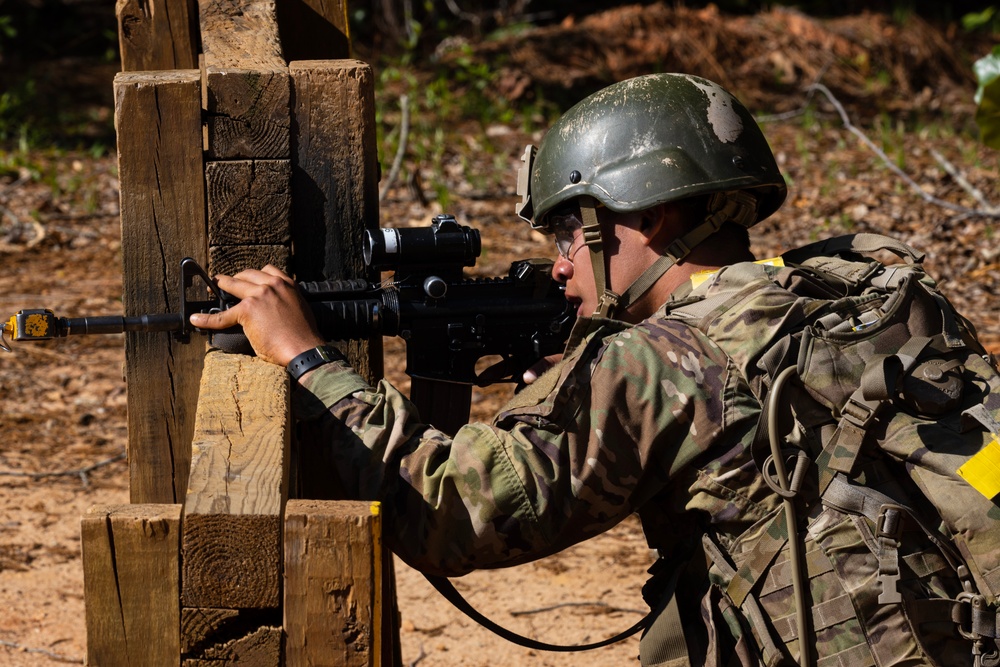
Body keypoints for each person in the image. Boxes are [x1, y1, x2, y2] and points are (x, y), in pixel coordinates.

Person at [189, 74, 995, 666]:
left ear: (648, 214)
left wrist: (304, 355)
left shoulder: (661, 364)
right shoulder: (863, 288)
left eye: (574, 234)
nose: (564, 267)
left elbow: (452, 510)